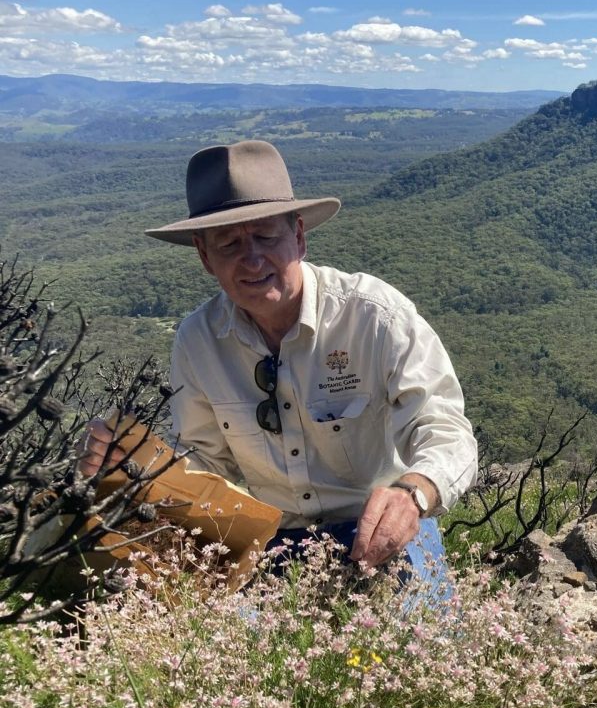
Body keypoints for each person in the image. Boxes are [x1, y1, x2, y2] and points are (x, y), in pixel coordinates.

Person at [77, 139, 477, 579]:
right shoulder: (198, 341)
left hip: (385, 528)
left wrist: (414, 494)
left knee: (412, 640)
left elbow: (444, 429)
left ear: (300, 236)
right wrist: (132, 469)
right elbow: (203, 463)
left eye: (267, 236)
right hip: (271, 545)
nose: (252, 259)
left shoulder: (374, 316)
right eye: (228, 244)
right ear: (205, 256)